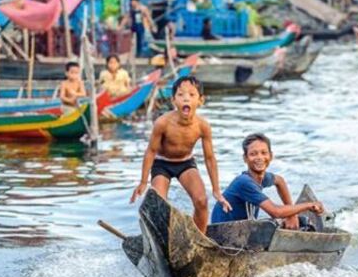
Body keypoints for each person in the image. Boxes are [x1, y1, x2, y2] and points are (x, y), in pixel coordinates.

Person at [130, 76, 231, 233]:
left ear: (200, 100)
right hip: (162, 164)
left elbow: (210, 158)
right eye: (181, 95)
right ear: (173, 100)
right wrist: (143, 182)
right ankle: (158, 238)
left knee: (201, 201)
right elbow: (150, 151)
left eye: (192, 95)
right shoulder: (162, 123)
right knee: (158, 204)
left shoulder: (202, 126)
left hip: (185, 163)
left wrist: (216, 190)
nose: (186, 99)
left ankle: (199, 238)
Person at [211, 133, 324, 230]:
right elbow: (276, 212)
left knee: (298, 222)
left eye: (264, 153)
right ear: (245, 158)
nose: (259, 157)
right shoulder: (244, 182)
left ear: (271, 156)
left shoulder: (262, 178)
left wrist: (292, 215)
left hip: (242, 230)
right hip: (223, 234)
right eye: (253, 154)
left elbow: (280, 181)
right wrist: (309, 205)